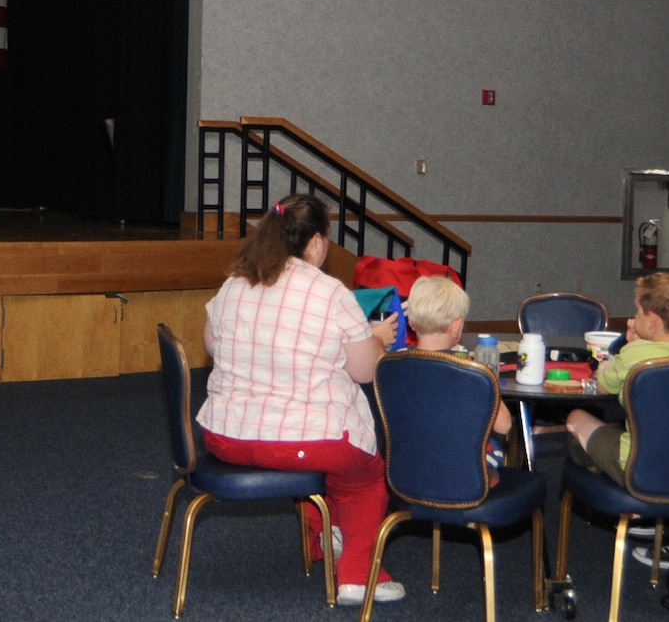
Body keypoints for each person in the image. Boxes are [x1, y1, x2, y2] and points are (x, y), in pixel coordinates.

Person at [195, 194, 402, 607]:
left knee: (324, 454)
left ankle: (326, 538)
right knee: (365, 472)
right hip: (303, 444)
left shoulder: (233, 284)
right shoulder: (330, 293)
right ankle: (357, 578)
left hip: (224, 437)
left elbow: (212, 345)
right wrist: (376, 340)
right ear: (318, 244)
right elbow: (363, 372)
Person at [562, 271, 669, 481]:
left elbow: (602, 386)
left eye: (638, 312)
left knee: (576, 417)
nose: (633, 318)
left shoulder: (633, 354)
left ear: (652, 321)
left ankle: (598, 470)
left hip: (639, 470)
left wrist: (626, 349)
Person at [404, 275, 514, 480]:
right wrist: (488, 376)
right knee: (492, 452)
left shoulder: (392, 364)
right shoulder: (470, 372)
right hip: (461, 474)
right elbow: (504, 425)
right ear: (456, 326)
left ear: (411, 321)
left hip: (408, 470)